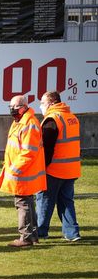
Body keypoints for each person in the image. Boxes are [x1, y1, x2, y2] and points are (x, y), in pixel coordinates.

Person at [0, 95, 46, 247]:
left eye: (16, 107)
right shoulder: (19, 121)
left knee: (23, 204)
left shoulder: (29, 124)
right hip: (22, 172)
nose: (13, 110)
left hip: (23, 173)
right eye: (11, 107)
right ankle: (32, 236)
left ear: (24, 106)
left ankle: (25, 238)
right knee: (28, 204)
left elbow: (28, 152)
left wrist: (14, 169)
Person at [36, 91, 82, 242]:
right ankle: (72, 233)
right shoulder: (72, 118)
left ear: (50, 103)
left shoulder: (52, 119)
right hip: (71, 168)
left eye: (42, 102)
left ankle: (41, 231)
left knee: (44, 201)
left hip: (55, 169)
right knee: (66, 202)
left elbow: (47, 149)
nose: (41, 106)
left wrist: (42, 167)